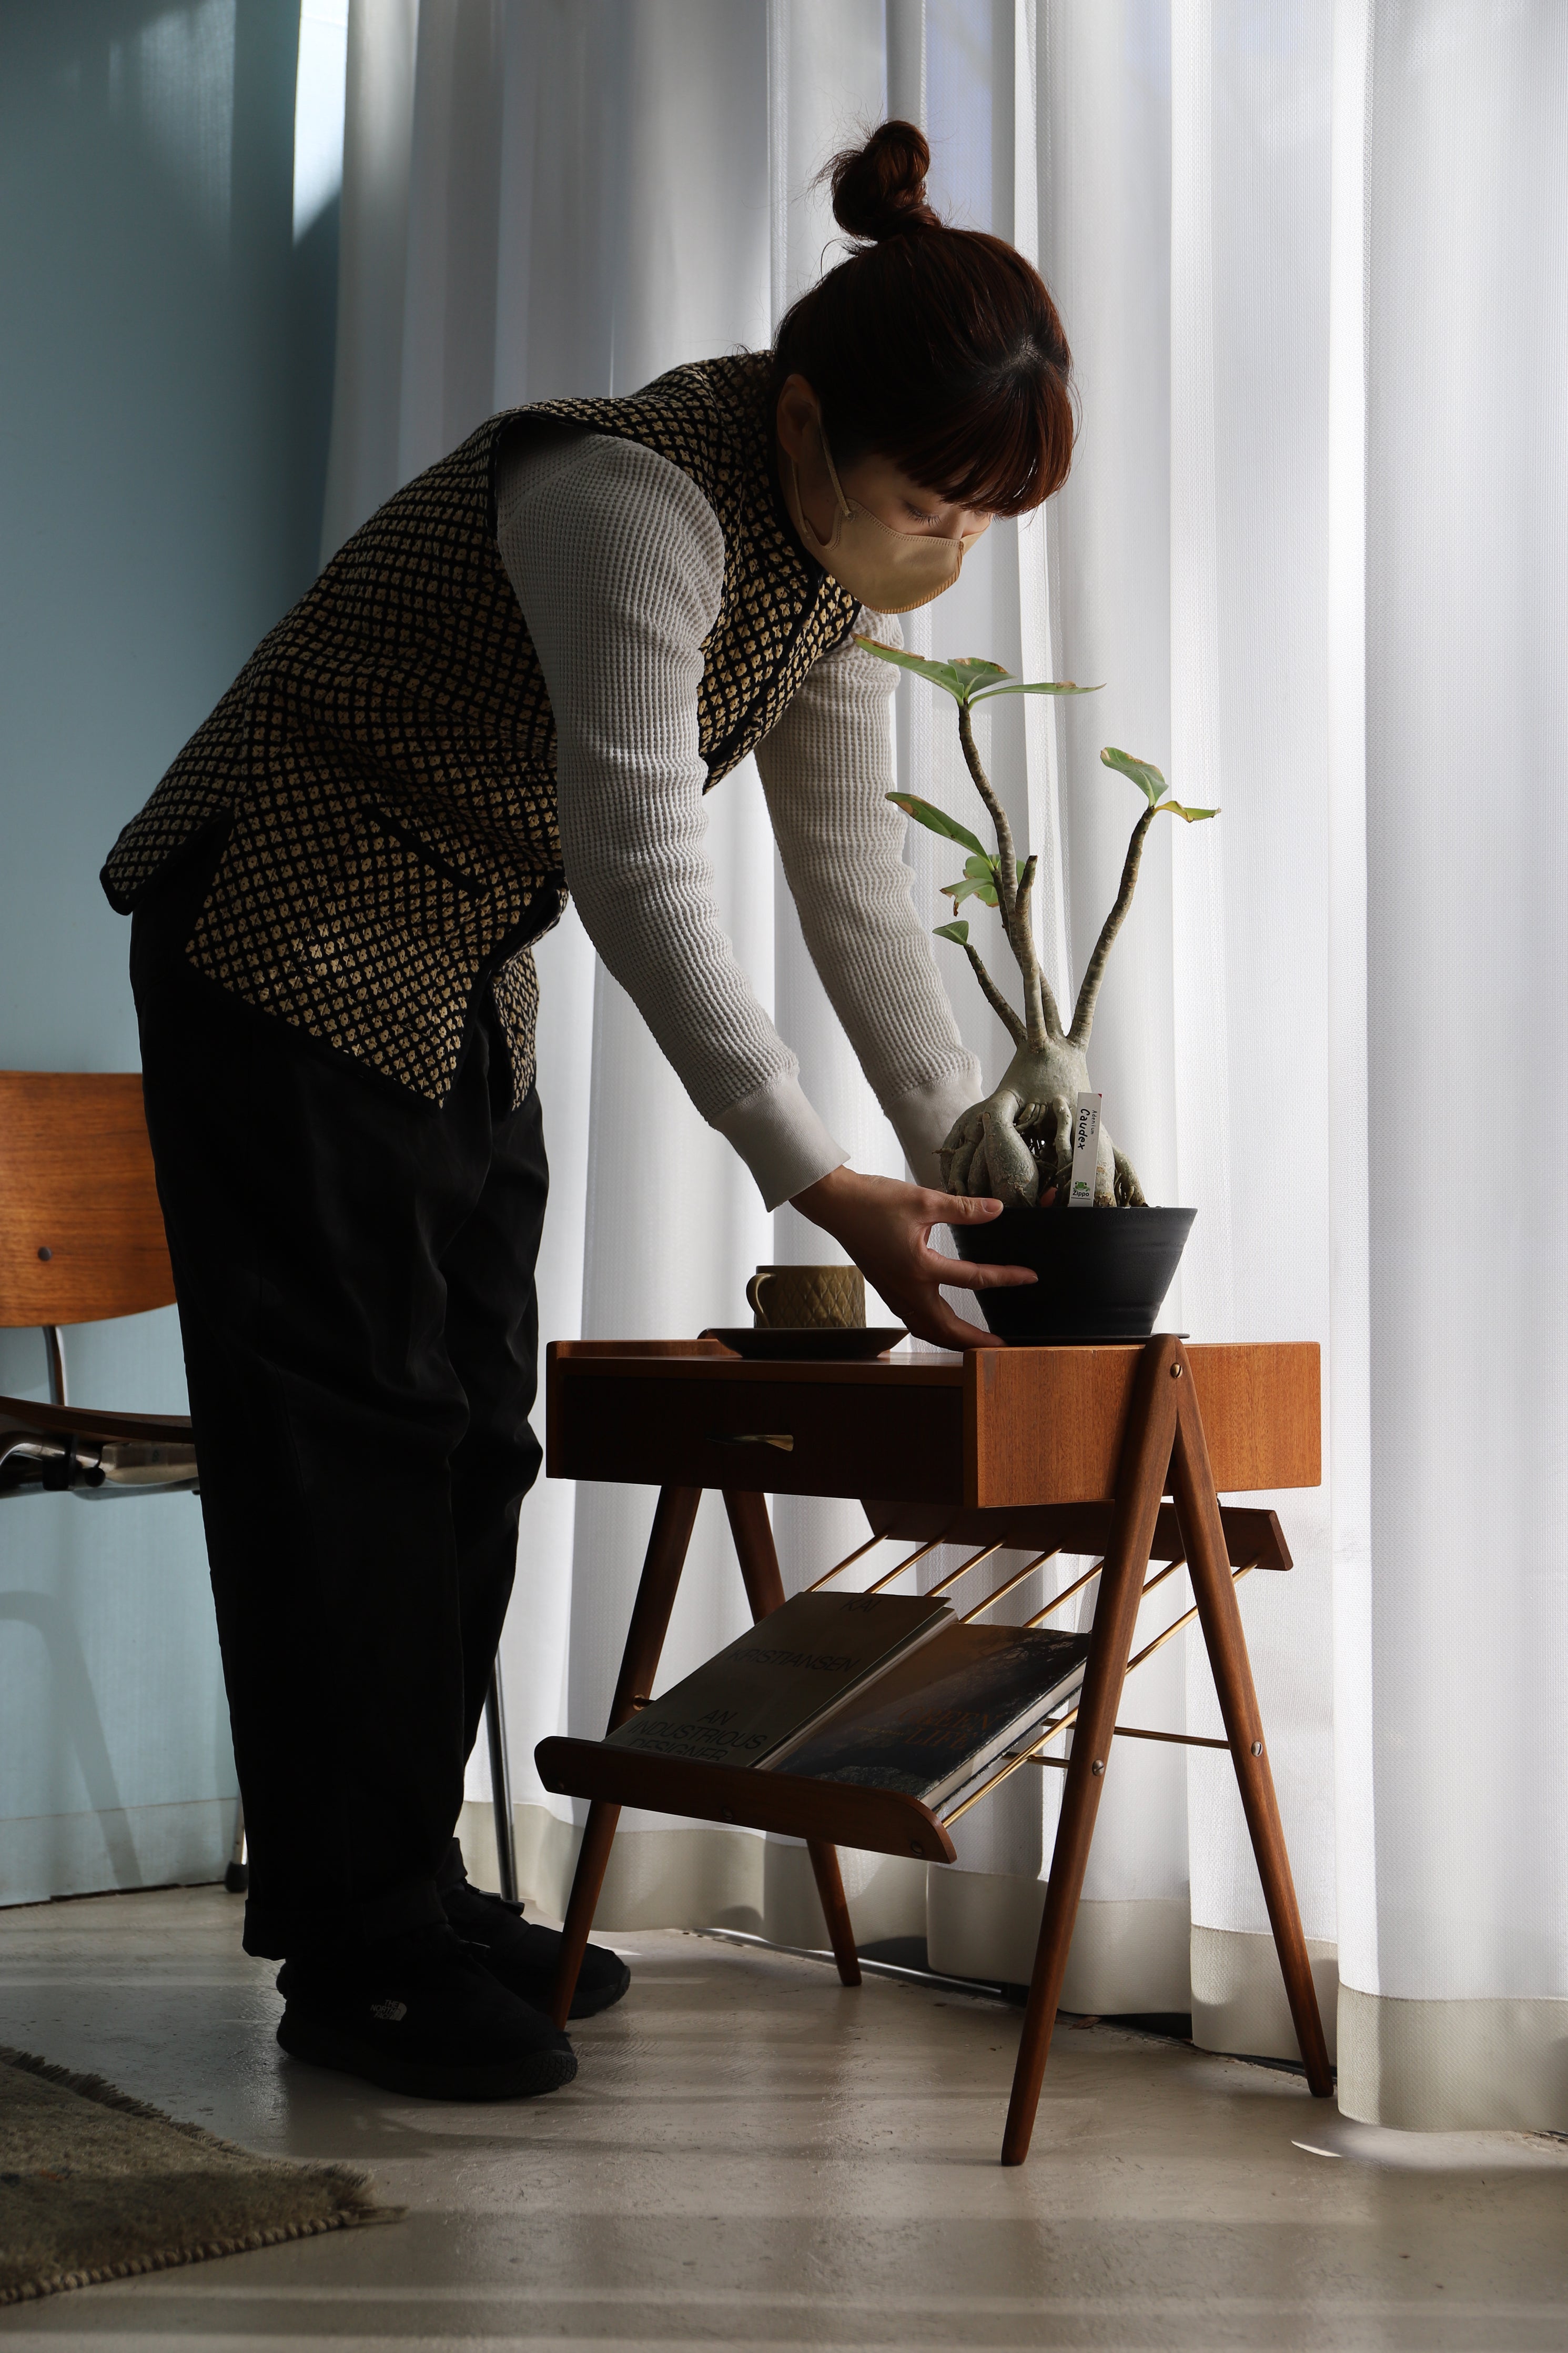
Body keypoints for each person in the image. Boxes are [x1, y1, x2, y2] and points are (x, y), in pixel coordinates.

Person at [102, 122, 1075, 2103]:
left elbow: (852, 881)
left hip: (454, 960)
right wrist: (821, 1182)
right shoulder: (630, 501)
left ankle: (403, 1885)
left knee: (471, 1431)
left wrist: (979, 1153)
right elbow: (641, 857)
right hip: (286, 917)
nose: (950, 553)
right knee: (344, 1446)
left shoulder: (821, 576)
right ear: (807, 425)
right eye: (930, 505)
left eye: (983, 522)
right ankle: (359, 1954)